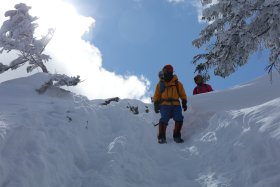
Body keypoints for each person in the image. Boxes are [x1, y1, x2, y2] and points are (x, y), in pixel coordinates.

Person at [153, 64, 187, 144]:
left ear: (171, 72)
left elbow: (182, 94)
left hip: (176, 105)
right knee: (164, 119)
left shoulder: (178, 84)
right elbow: (156, 95)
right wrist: (156, 104)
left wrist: (184, 102)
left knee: (179, 118)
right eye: (165, 71)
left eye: (168, 71)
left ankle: (177, 136)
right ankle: (161, 137)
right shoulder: (160, 84)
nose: (167, 72)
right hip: (165, 105)